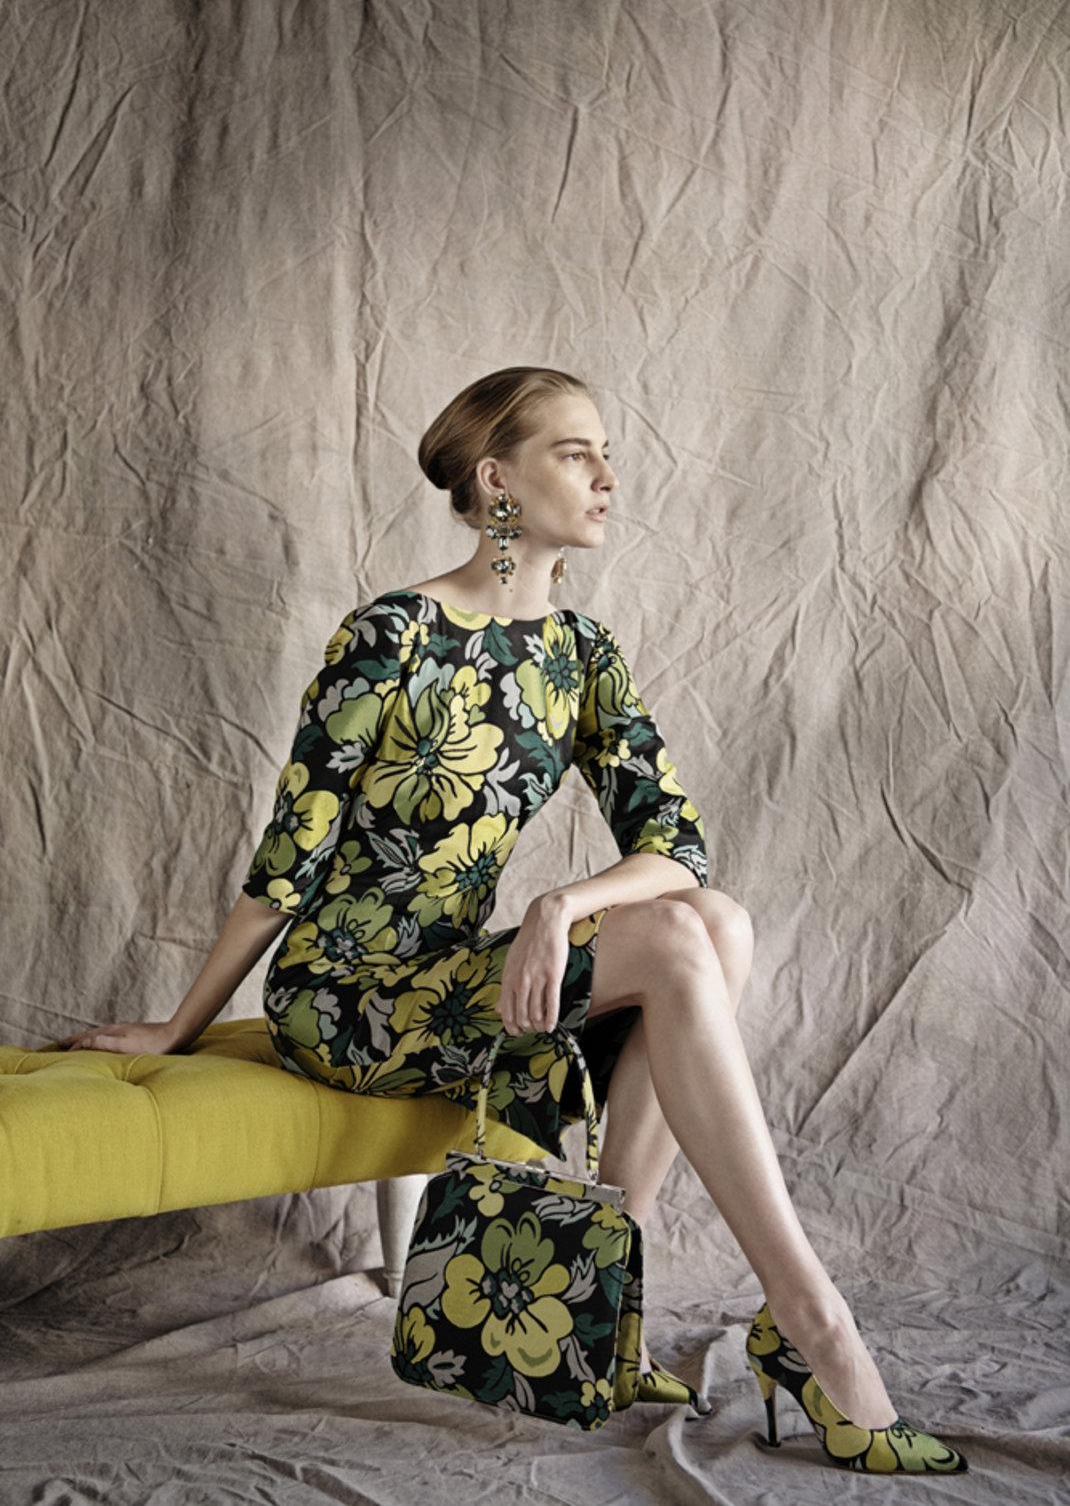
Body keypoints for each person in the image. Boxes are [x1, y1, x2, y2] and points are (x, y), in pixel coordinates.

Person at [57, 366, 967, 1470]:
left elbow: (675, 845)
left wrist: (561, 900)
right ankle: (815, 1322)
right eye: (575, 453)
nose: (607, 477)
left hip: (457, 974)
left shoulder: (579, 655)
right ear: (496, 479)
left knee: (714, 921)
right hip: (347, 995)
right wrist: (178, 1027)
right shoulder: (391, 634)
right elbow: (285, 867)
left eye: (605, 453)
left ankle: (601, 1302)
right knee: (678, 938)